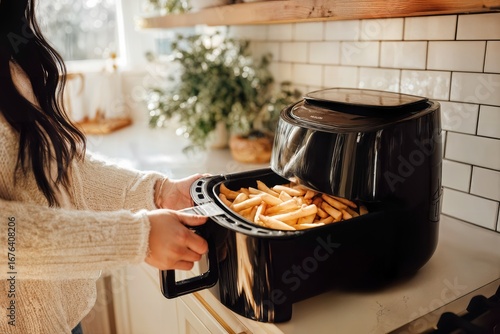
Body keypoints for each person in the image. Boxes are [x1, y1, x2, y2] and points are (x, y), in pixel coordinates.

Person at [0, 0, 209, 333]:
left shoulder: (11, 58)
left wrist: (158, 191)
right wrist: (135, 237)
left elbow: (60, 170)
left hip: (62, 320)